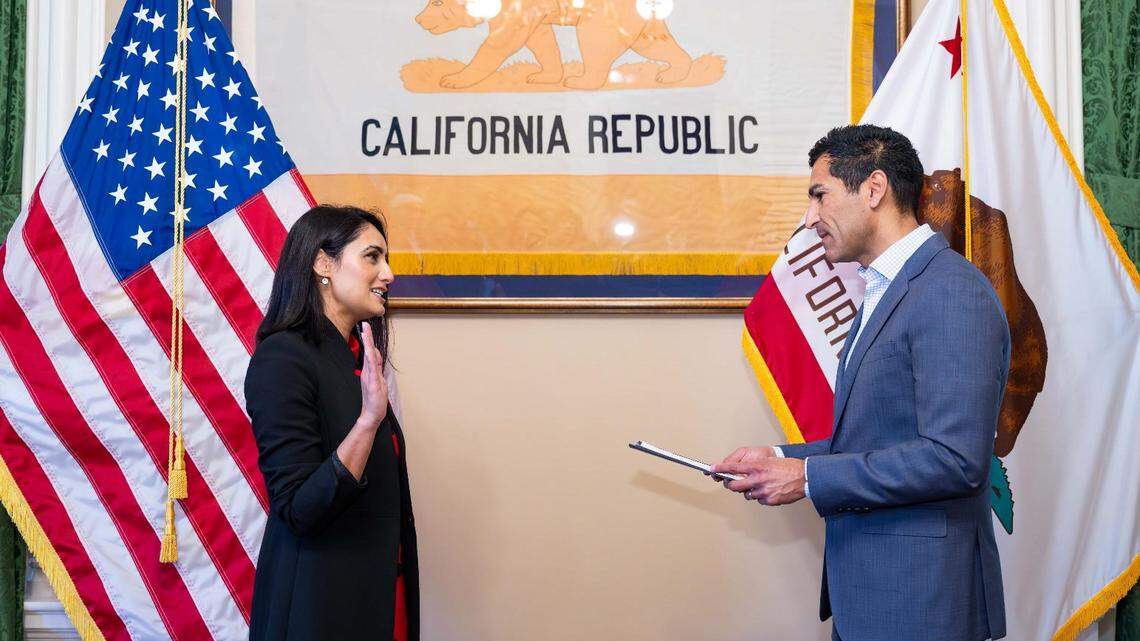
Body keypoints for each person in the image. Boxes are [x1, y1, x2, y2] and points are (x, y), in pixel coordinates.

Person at [712, 125, 1009, 641]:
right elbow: (880, 438)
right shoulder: (885, 287)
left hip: (920, 603)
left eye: (819, 195)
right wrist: (782, 457)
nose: (809, 221)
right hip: (873, 598)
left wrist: (806, 480)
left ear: (873, 189)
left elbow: (954, 460)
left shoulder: (949, 292)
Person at [245, 205, 418, 641]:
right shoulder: (283, 357)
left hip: (375, 600)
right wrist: (367, 423)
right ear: (323, 263)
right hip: (318, 611)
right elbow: (299, 509)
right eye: (372, 257)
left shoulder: (356, 359)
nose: (389, 275)